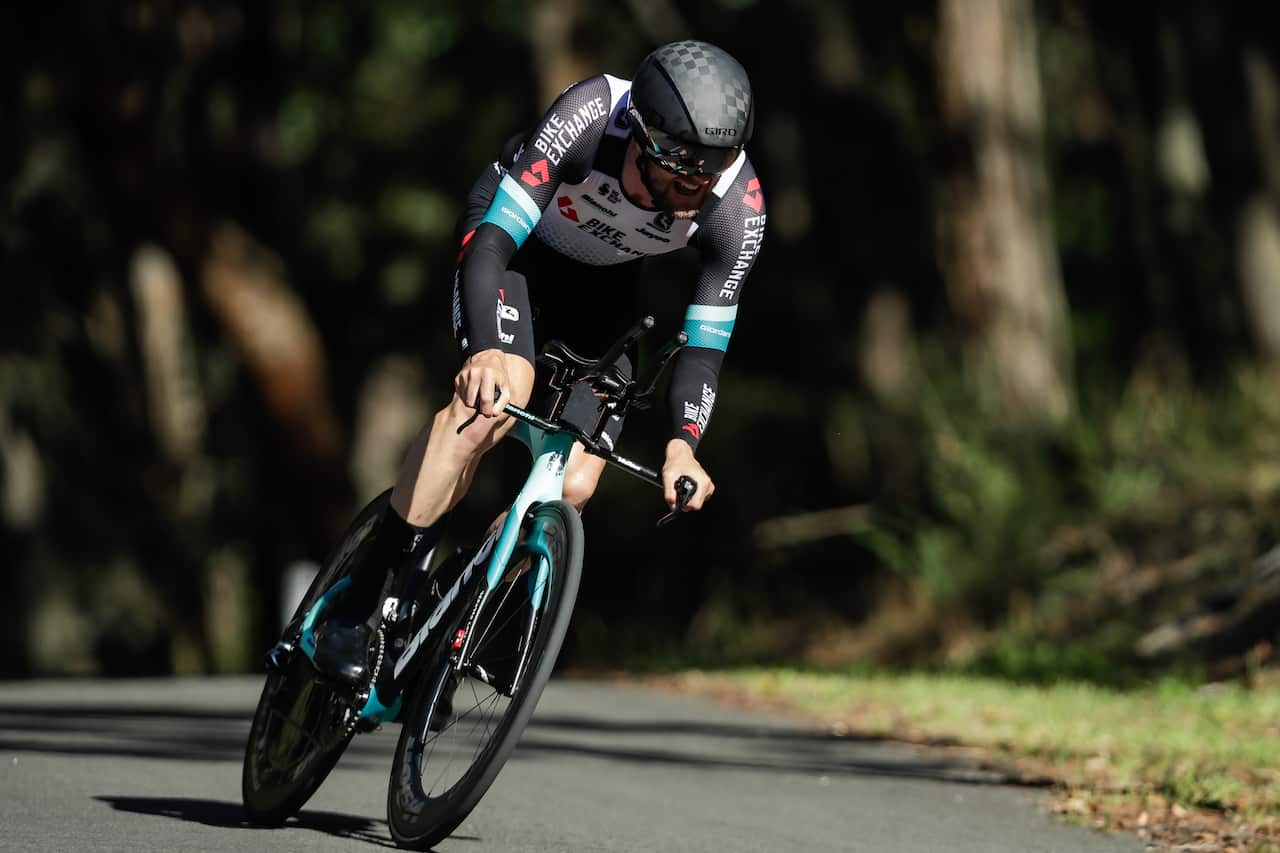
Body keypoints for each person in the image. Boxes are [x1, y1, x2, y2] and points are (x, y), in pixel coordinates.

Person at [313, 39, 767, 690]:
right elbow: (491, 244)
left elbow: (704, 346)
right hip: (514, 256)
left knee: (574, 482)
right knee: (492, 405)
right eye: (684, 174)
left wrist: (683, 446)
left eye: (714, 171)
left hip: (604, 293)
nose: (700, 189)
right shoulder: (590, 115)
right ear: (645, 141)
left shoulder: (738, 206)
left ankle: (451, 608)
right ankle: (360, 605)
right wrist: (484, 353)